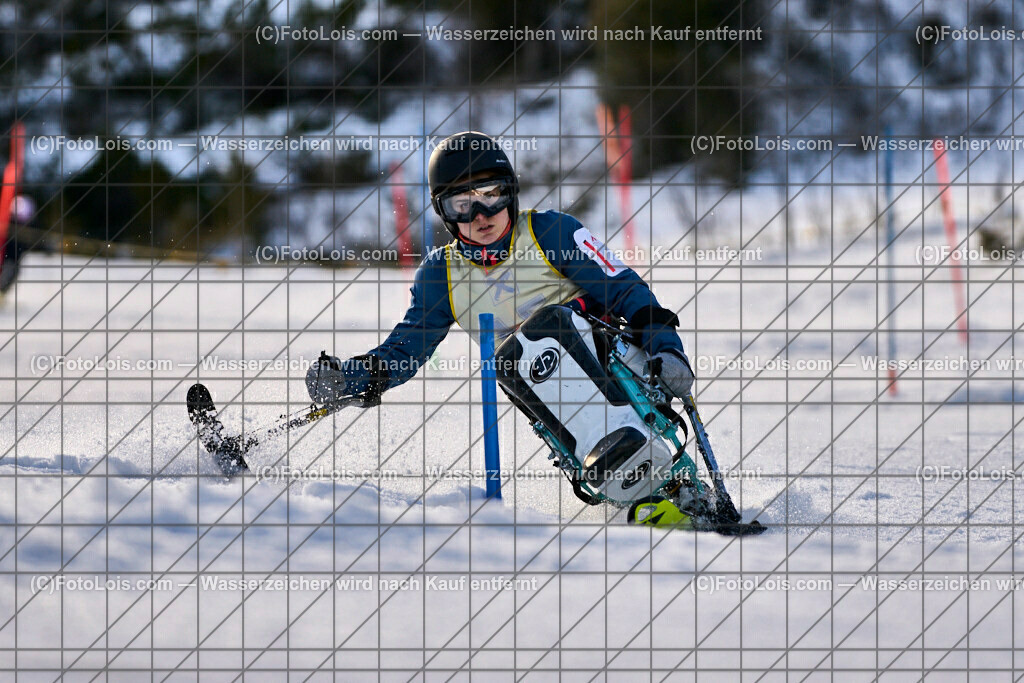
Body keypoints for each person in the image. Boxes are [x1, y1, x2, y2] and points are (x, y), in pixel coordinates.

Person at [306, 130, 694, 416]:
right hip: (554, 403)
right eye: (462, 204)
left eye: (491, 195)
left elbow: (624, 289)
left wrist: (667, 348)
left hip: (622, 370)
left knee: (553, 325)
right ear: (444, 212)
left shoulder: (551, 232)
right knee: (515, 357)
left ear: (510, 192)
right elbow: (408, 348)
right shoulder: (440, 275)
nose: (480, 216)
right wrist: (356, 376)